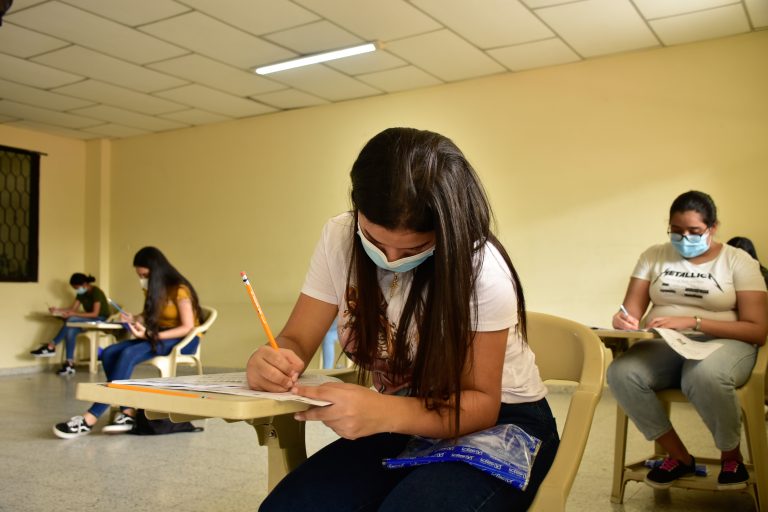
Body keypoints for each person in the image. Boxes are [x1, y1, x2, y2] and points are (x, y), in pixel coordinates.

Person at [246, 127, 558, 511]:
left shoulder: (481, 267)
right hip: (401, 414)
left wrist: (382, 411)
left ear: (446, 229)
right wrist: (273, 360)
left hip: (500, 420)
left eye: (415, 248)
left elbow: (479, 404)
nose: (391, 260)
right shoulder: (339, 237)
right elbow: (295, 339)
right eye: (375, 242)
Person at [607, 191, 768, 491]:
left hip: (725, 342)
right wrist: (623, 319)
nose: (684, 238)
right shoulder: (653, 256)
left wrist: (693, 322)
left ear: (713, 227)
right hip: (666, 342)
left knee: (702, 374)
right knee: (621, 372)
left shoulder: (739, 261)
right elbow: (630, 309)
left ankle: (731, 455)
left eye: (694, 231)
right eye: (676, 231)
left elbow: (757, 330)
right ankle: (679, 456)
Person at [53, 247, 203, 439]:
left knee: (128, 354)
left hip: (184, 340)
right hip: (158, 335)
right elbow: (150, 315)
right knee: (109, 352)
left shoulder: (180, 289)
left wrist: (149, 335)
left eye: (144, 274)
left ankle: (91, 417)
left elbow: (187, 327)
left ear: (156, 271)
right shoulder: (153, 288)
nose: (141, 279)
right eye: (139, 275)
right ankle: (127, 411)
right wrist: (133, 318)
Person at [30, 273, 110, 375]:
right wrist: (58, 310)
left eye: (77, 288)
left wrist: (73, 314)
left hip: (101, 319)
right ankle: (69, 364)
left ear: (85, 284)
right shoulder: (81, 294)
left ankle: (51, 346)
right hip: (89, 320)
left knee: (71, 319)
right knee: (70, 330)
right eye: (75, 288)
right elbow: (72, 309)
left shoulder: (96, 292)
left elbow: (95, 314)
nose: (77, 290)